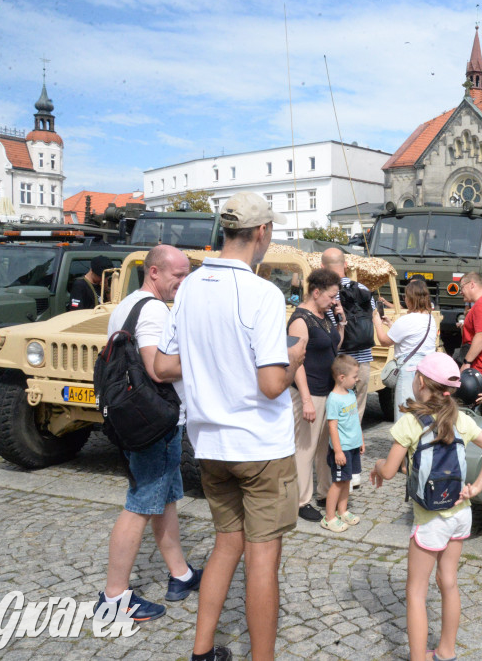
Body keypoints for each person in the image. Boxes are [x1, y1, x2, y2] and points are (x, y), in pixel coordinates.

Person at [156, 191, 306, 661]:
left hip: (208, 444)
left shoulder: (190, 287)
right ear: (262, 233)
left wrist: (212, 359)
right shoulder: (262, 293)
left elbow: (163, 365)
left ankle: (202, 652)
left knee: (225, 547)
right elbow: (269, 384)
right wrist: (296, 353)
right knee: (262, 561)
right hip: (259, 446)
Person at [370, 353, 482, 661]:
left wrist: (377, 466)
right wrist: (477, 487)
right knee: (449, 583)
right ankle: (446, 651)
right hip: (461, 513)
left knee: (416, 591)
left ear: (419, 381)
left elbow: (389, 471)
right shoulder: (461, 418)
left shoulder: (410, 422)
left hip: (430, 520)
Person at [97, 245, 195, 623]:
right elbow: (158, 369)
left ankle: (180, 574)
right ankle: (114, 596)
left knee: (164, 499)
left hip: (143, 419)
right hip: (157, 421)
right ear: (153, 272)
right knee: (140, 505)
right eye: (178, 274)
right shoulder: (154, 310)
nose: (182, 282)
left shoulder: (128, 304)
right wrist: (206, 357)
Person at [320, 247, 390, 489]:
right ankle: (354, 470)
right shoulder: (363, 290)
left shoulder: (329, 292)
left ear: (322, 267)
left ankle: (333, 467)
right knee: (355, 414)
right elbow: (374, 318)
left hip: (339, 362)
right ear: (346, 264)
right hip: (362, 360)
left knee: (332, 415)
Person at [288, 267, 344, 522]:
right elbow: (295, 362)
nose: (334, 301)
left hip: (326, 389)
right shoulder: (300, 320)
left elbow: (333, 345)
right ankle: (301, 500)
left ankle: (324, 491)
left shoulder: (324, 316)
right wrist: (307, 398)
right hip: (308, 392)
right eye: (332, 296)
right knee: (306, 448)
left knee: (324, 447)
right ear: (316, 291)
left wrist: (340, 321)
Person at [378, 278, 438, 422]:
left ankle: (405, 443)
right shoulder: (430, 319)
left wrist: (377, 322)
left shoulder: (406, 320)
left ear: (410, 298)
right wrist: (392, 324)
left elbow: (384, 341)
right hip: (427, 370)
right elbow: (412, 337)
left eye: (405, 296)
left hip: (409, 371)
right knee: (423, 411)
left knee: (405, 412)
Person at [323, 355, 365, 532]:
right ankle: (329, 517)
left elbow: (355, 420)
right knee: (338, 482)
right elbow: (332, 427)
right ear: (342, 377)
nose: (357, 379)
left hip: (353, 446)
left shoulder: (351, 394)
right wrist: (338, 451)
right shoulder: (333, 399)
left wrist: (361, 439)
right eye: (354, 377)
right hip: (342, 449)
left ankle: (342, 510)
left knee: (347, 480)